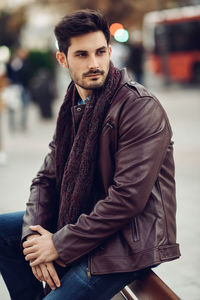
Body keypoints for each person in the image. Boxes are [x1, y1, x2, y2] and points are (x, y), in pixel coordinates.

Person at [0, 9, 181, 300]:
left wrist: (59, 243)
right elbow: (45, 179)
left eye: (100, 52)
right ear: (63, 59)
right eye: (82, 55)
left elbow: (127, 199)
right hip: (89, 219)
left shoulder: (139, 107)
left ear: (110, 51)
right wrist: (35, 238)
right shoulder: (74, 105)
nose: (94, 63)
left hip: (131, 237)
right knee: (6, 231)